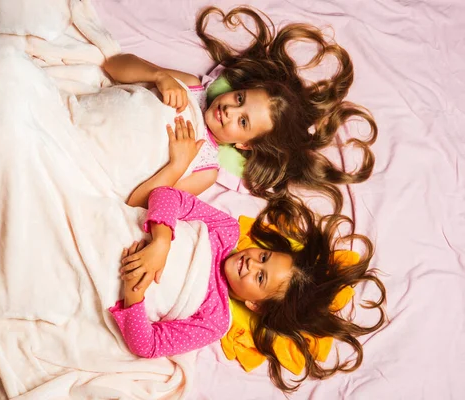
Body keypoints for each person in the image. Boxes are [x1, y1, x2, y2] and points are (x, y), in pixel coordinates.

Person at [109, 186, 386, 391]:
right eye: (264, 257)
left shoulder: (215, 320)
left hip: (113, 281)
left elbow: (147, 344)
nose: (252, 263)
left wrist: (134, 293)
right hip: (114, 228)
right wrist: (161, 242)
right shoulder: (225, 230)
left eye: (261, 278)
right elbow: (166, 195)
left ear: (257, 305)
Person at [103, 6, 377, 212]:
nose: (230, 111)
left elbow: (138, 203)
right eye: (239, 99)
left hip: (105, 163)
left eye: (243, 122)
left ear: (245, 146)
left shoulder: (205, 171)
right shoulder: (191, 87)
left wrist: (177, 165)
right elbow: (114, 64)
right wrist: (158, 76)